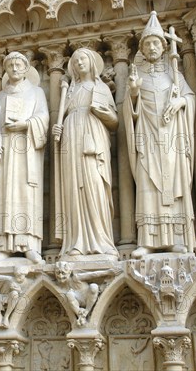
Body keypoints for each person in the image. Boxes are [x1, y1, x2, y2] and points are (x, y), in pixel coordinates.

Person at [123, 11, 196, 259]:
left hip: (172, 138)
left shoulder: (174, 75)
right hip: (147, 139)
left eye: (156, 43)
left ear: (164, 47)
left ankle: (176, 238)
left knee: (174, 186)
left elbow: (189, 98)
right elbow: (128, 111)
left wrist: (180, 104)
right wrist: (133, 93)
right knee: (147, 186)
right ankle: (148, 240)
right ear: (142, 49)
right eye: (147, 44)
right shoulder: (138, 77)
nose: (152, 47)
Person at [52, 48, 119, 258]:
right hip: (71, 137)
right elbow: (61, 116)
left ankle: (103, 240)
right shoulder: (69, 91)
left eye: (83, 59)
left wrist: (103, 113)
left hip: (94, 137)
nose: (79, 63)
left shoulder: (101, 88)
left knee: (95, 183)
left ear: (91, 63)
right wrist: (58, 128)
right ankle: (76, 241)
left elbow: (115, 122)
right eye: (75, 60)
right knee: (73, 188)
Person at [0, 52, 49, 264]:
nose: (13, 67)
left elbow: (43, 118)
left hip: (26, 149)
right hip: (3, 152)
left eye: (18, 64)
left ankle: (28, 244)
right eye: (9, 64)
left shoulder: (36, 93)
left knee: (25, 193)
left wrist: (26, 124)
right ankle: (2, 245)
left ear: (25, 68)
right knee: (2, 195)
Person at [54, 261, 121, 326]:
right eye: (58, 273)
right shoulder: (62, 284)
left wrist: (107, 272)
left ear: (69, 272)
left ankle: (86, 312)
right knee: (69, 294)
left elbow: (93, 275)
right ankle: (80, 315)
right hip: (78, 299)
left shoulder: (76, 277)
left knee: (93, 286)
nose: (60, 276)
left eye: (63, 273)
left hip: (87, 296)